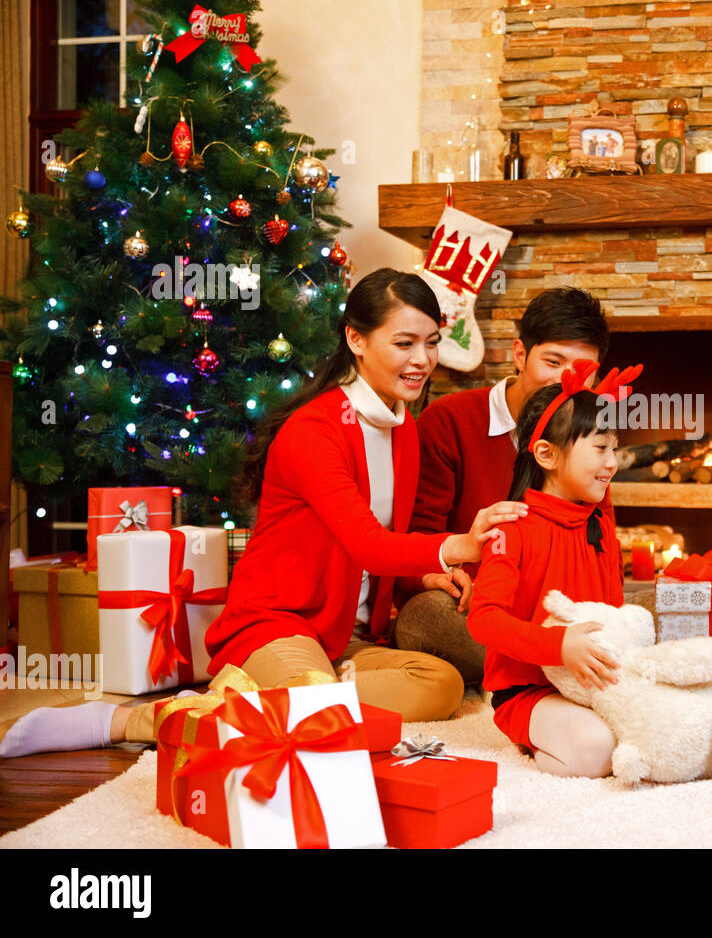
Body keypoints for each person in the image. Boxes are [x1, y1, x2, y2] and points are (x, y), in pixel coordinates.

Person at [0, 269, 522, 758]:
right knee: (312, 712)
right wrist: (460, 545)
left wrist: (428, 573)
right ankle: (126, 721)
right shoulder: (316, 430)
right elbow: (367, 543)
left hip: (344, 637)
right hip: (276, 623)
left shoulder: (403, 427)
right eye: (404, 343)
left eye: (431, 342)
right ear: (356, 340)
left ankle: (295, 694)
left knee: (442, 685)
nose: (422, 360)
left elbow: (383, 547)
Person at [394, 288, 609, 686]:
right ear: (520, 354)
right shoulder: (450, 421)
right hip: (481, 612)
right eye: (553, 362)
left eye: (584, 370)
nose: (567, 381)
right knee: (424, 616)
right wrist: (434, 575)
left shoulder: (589, 437)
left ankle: (558, 666)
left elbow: (598, 544)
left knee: (659, 609)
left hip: (561, 611)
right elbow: (414, 540)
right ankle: (552, 671)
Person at [466, 361, 639, 777]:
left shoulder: (599, 520)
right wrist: (557, 645)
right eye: (600, 448)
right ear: (546, 453)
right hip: (530, 692)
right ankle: (535, 742)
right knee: (598, 748)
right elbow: (483, 621)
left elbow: (613, 607)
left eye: (615, 449)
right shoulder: (513, 527)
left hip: (596, 680)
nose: (612, 463)